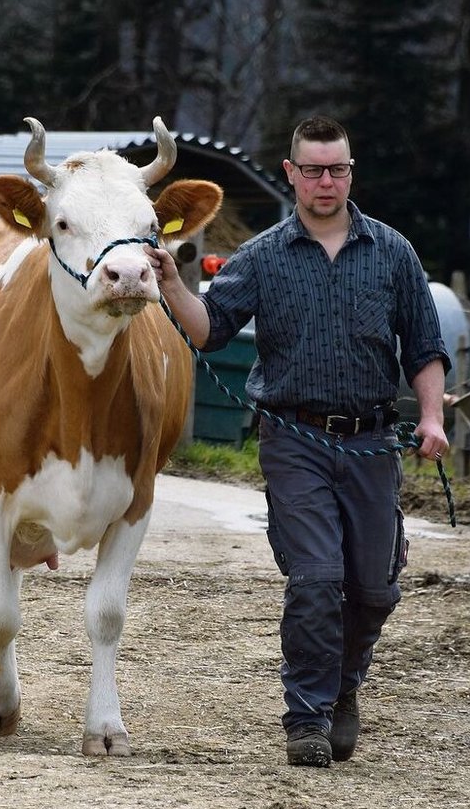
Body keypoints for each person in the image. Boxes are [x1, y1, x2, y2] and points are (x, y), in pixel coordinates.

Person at [147, 115, 450, 767]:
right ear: (291, 174)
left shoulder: (394, 254)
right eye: (312, 169)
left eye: (336, 168)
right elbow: (207, 330)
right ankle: (306, 717)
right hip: (295, 439)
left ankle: (344, 689)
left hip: (371, 440)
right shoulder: (262, 257)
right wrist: (173, 281)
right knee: (316, 577)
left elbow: (426, 348)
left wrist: (431, 419)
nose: (325, 181)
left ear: (350, 171)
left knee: (375, 587)